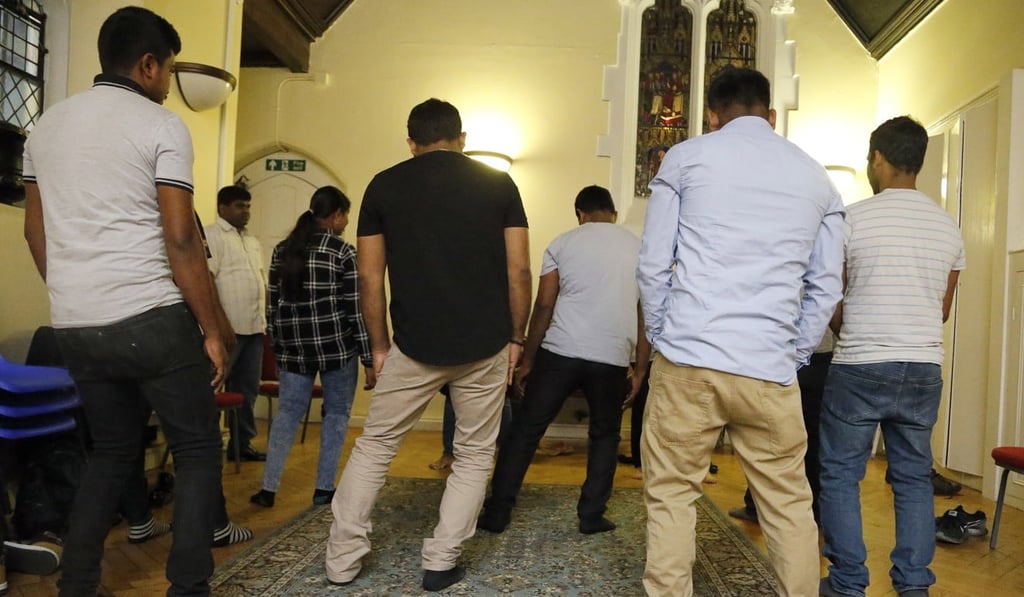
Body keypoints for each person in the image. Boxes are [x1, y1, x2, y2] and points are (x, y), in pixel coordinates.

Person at [21, 6, 229, 596]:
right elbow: (182, 236)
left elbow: (36, 235)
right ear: (147, 65)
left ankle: (77, 584)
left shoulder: (46, 127)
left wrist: (75, 296)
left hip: (76, 323)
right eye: (167, 70)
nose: (167, 84)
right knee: (195, 449)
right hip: (152, 318)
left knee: (110, 452)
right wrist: (212, 330)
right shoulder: (160, 125)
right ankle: (188, 587)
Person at [636, 66, 845, 597]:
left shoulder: (685, 157)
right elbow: (826, 287)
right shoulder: (818, 178)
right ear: (771, 116)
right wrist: (793, 351)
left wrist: (664, 335)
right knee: (789, 506)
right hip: (769, 369)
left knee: (671, 493)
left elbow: (654, 262)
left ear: (712, 114)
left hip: (690, 358)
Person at [325, 98, 531, 592]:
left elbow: (369, 278)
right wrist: (517, 338)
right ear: (462, 140)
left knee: (375, 446)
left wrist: (378, 347)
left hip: (413, 344)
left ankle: (341, 561)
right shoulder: (499, 184)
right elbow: (519, 269)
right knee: (475, 452)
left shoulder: (384, 185)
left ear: (411, 142)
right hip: (484, 344)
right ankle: (440, 561)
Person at [818, 116, 965, 597]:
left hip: (860, 364)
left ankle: (847, 584)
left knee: (841, 474)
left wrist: (850, 330)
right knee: (913, 477)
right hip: (923, 367)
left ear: (878, 158)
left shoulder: (852, 219)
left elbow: (830, 297)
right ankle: (914, 585)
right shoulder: (948, 228)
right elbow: (942, 308)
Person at [477, 185, 649, 535]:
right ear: (613, 214)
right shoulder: (641, 249)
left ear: (580, 214)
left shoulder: (562, 242)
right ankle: (591, 515)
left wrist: (527, 359)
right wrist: (641, 368)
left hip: (561, 351)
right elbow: (646, 312)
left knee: (526, 430)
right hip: (612, 356)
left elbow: (544, 305)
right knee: (605, 436)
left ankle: (497, 513)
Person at [250, 186, 374, 508]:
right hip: (337, 347)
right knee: (336, 415)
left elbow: (272, 306)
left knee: (287, 414)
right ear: (334, 216)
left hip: (294, 349)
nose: (346, 221)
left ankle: (268, 489)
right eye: (344, 214)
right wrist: (368, 357)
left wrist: (278, 346)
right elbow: (354, 309)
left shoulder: (282, 251)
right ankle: (323, 490)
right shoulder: (342, 252)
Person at [728, 331, 834, 523]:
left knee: (765, 434)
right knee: (813, 436)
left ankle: (756, 506)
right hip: (818, 351)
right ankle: (814, 512)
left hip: (777, 351)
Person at [206, 184, 268, 462]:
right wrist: (220, 325)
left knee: (247, 390)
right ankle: (204, 447)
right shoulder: (212, 235)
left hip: (254, 327)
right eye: (240, 206)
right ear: (223, 208)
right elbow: (206, 281)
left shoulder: (251, 240)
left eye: (248, 206)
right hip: (226, 331)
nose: (246, 212)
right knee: (212, 386)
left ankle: (240, 445)